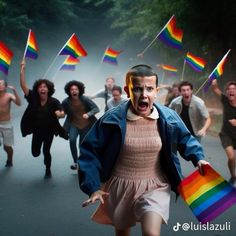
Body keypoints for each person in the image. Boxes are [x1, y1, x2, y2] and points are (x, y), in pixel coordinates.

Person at [78, 65, 209, 236]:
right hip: (120, 185)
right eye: (138, 89)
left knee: (151, 233)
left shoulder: (168, 117)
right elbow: (89, 152)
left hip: (155, 185)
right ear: (128, 90)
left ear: (156, 91)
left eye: (149, 89)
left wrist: (198, 158)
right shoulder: (111, 119)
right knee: (122, 232)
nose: (144, 94)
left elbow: (185, 138)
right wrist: (93, 186)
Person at [20, 59, 68, 178]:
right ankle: (40, 156)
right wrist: (22, 69)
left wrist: (60, 114)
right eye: (40, 87)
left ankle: (48, 168)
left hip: (49, 131)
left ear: (48, 90)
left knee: (46, 151)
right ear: (37, 89)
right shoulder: (32, 98)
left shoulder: (54, 101)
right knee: (35, 153)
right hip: (36, 131)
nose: (42, 88)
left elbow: (62, 112)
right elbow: (23, 85)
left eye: (45, 87)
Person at [61, 80, 99, 170]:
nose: (74, 91)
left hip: (86, 125)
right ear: (69, 91)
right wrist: (60, 114)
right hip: (73, 125)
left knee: (82, 145)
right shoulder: (66, 102)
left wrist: (88, 114)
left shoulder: (85, 99)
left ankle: (81, 162)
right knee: (72, 140)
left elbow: (96, 108)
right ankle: (75, 162)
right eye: (72, 89)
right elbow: (62, 111)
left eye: (76, 89)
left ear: (79, 90)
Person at [211, 79, 236, 184]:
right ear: (227, 92)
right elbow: (215, 89)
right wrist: (214, 82)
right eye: (229, 89)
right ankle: (233, 175)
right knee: (231, 156)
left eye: (234, 89)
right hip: (226, 134)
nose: (231, 91)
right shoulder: (225, 100)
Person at [0, 79, 21, 167]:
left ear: (5, 87)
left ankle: (9, 160)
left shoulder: (9, 96)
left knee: (7, 146)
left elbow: (19, 103)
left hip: (6, 124)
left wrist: (15, 91)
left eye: (0, 84)